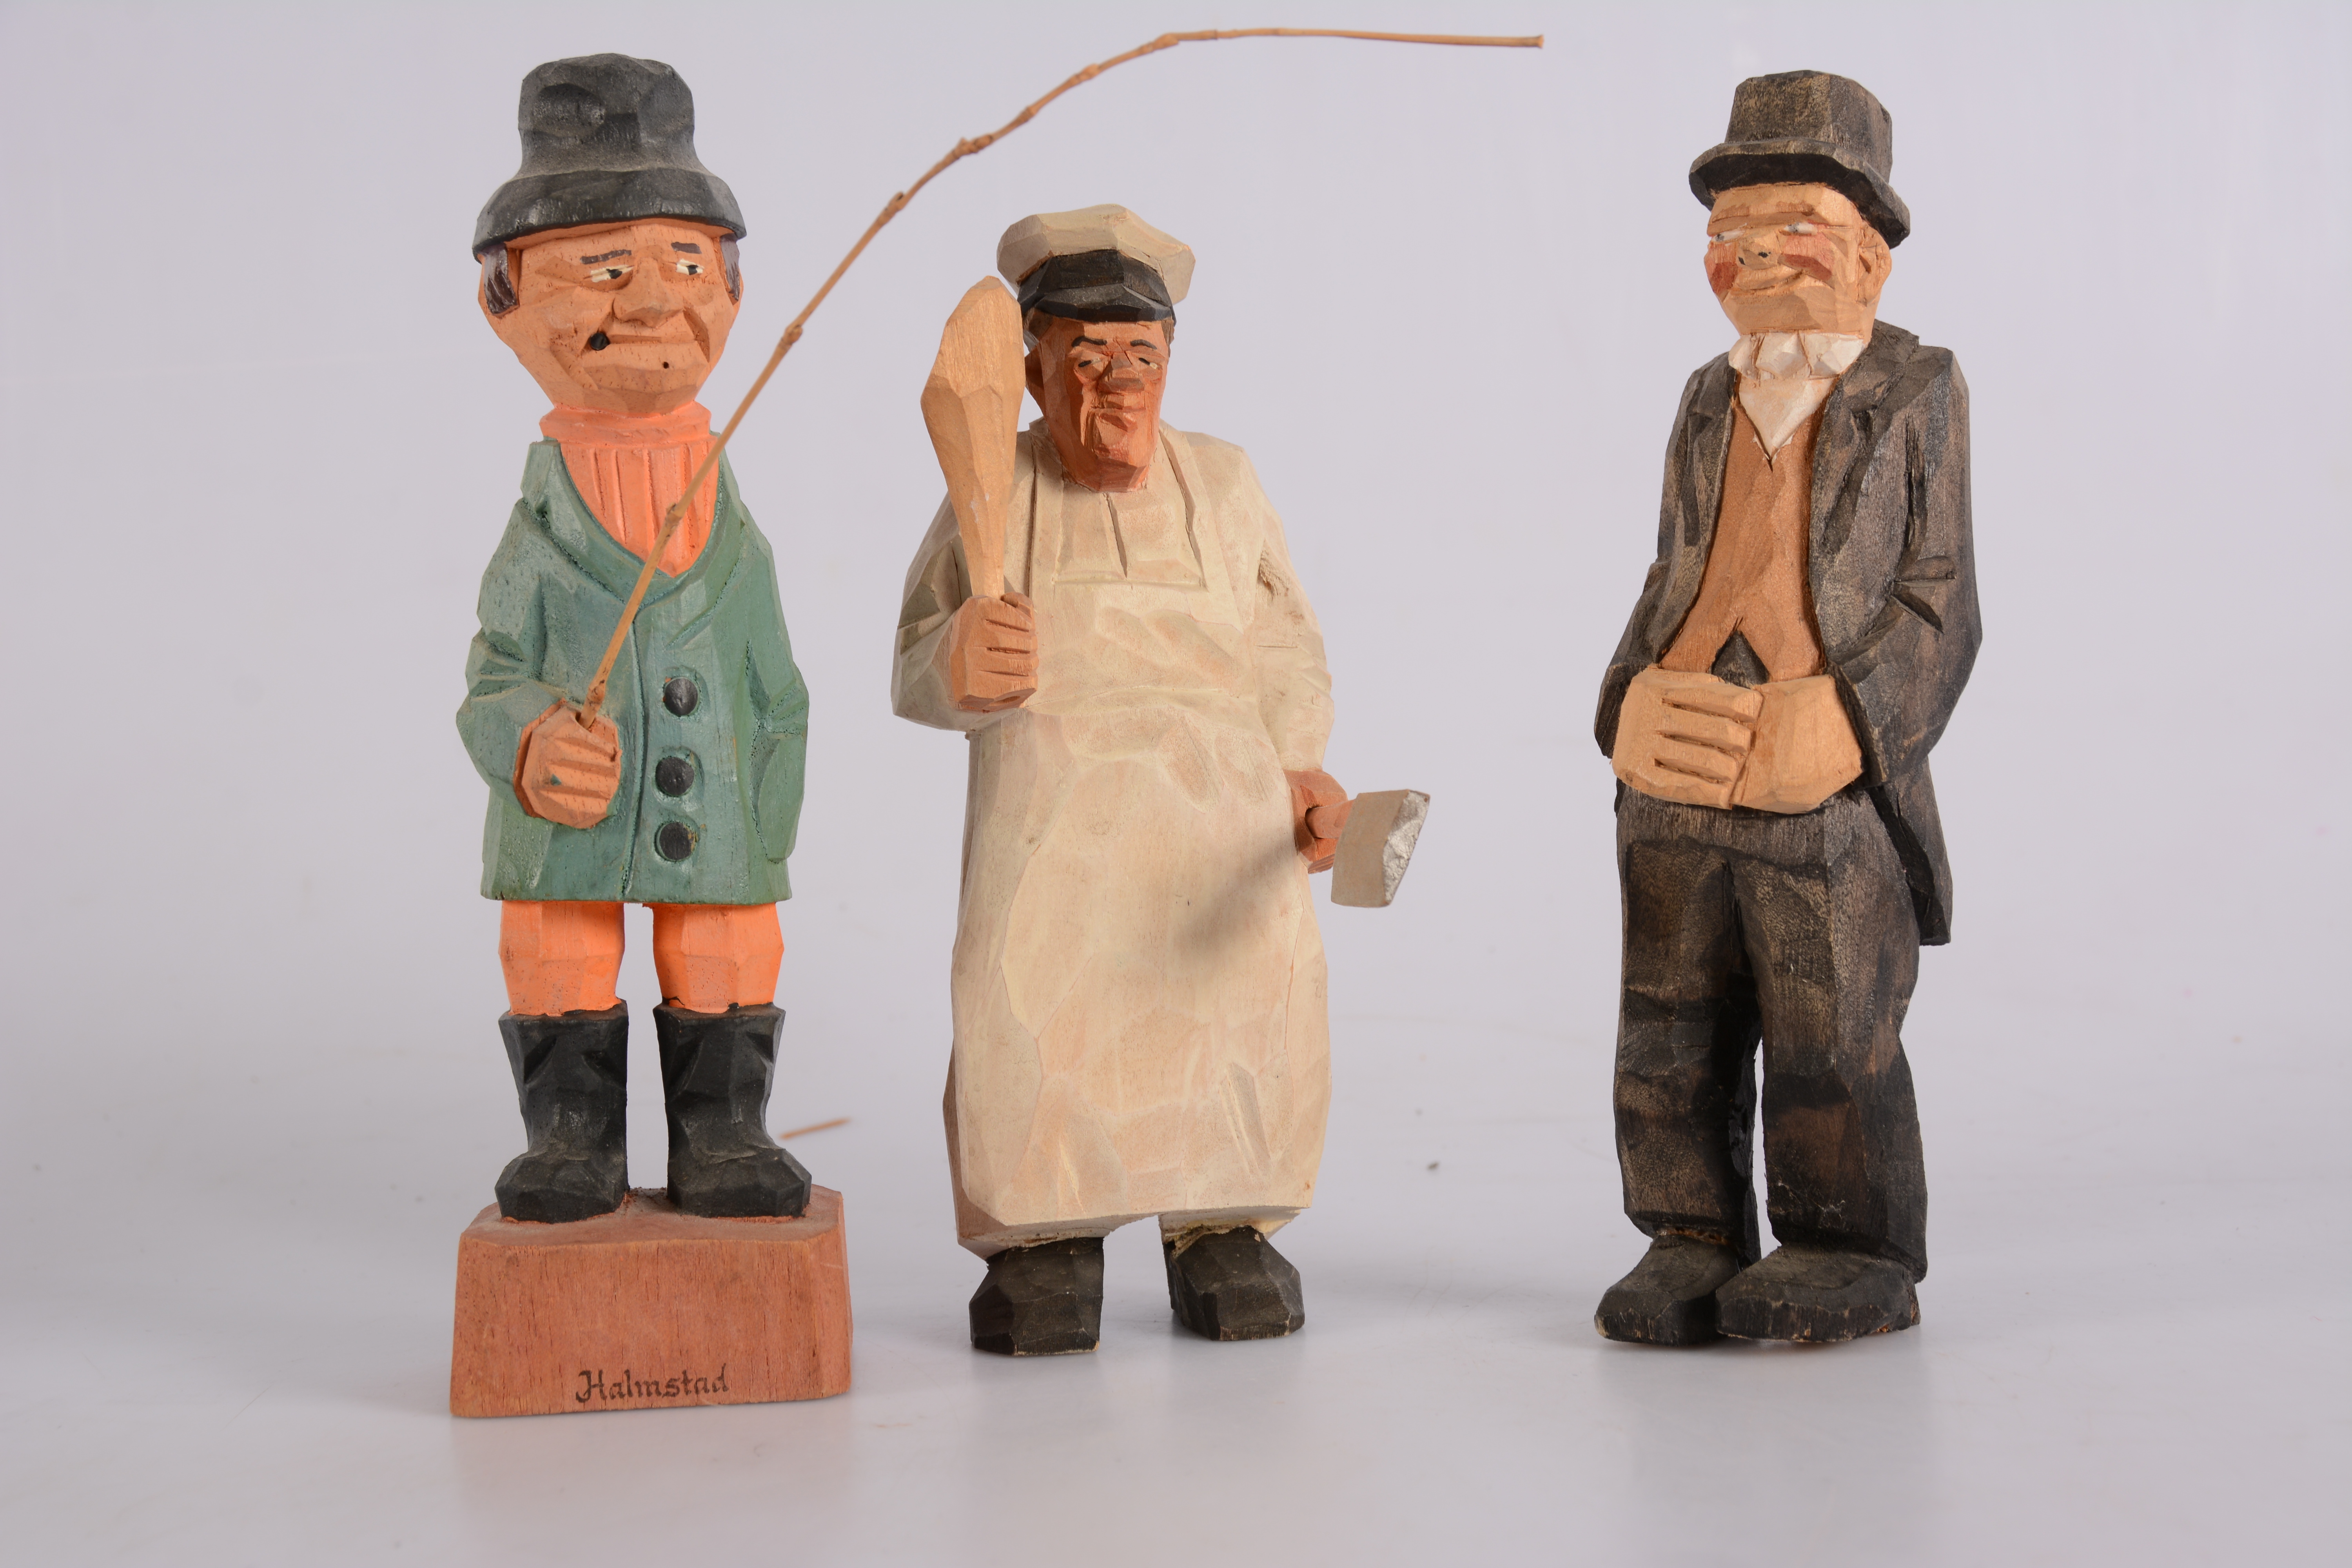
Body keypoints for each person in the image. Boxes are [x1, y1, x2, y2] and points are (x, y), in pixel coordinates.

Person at [893, 205, 1350, 1354]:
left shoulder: (1227, 483)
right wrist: (960, 661)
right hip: (1054, 824)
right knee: (1036, 1016)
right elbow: (916, 658)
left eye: (1140, 353)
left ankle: (1224, 1224)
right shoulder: (996, 490)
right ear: (1034, 369)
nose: (1118, 382)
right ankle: (1044, 1240)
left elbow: (1284, 641)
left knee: (1238, 1015)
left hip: (1222, 817)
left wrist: (1299, 763)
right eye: (1087, 356)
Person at [1593, 72, 1980, 1344]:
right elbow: (1670, 572)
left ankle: (1845, 1241)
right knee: (1669, 1023)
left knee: (1829, 1024)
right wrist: (1624, 702)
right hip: (1680, 765)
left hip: (1823, 785)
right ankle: (1689, 1231)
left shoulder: (1918, 389)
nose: (1754, 253)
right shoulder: (1706, 397)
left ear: (1870, 258)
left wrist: (1850, 721)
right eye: (1730, 231)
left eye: (1794, 225)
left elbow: (1942, 600)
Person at [456, 55, 811, 1224]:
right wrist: (526, 742)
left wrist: (762, 818)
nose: (656, 304)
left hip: (721, 833)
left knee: (726, 944)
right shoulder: (538, 533)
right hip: (567, 827)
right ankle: (571, 1136)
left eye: (689, 264)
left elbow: (775, 684)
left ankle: (724, 1130)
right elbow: (492, 676)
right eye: (604, 268)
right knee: (557, 943)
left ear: (737, 293)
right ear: (502, 302)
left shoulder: (737, 530)